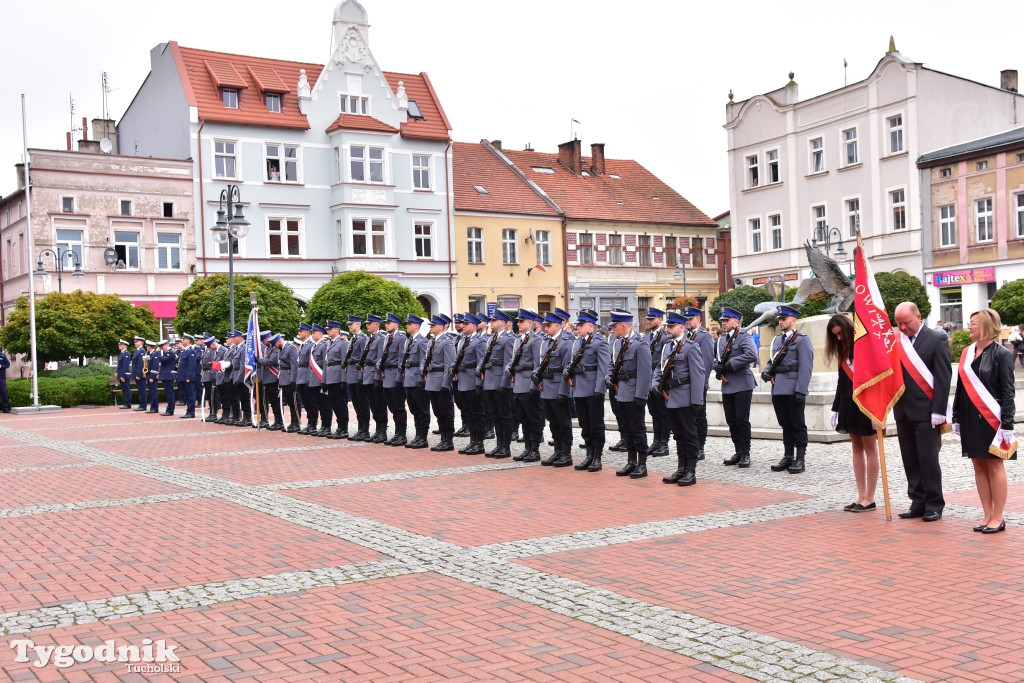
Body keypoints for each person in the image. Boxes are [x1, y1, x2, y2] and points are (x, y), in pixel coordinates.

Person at [952, 308, 1017, 533]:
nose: (969, 327)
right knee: (978, 464)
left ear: (987, 326)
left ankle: (998, 517)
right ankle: (987, 514)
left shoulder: (1001, 354)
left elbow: (1008, 391)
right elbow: (960, 388)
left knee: (994, 465)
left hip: (993, 418)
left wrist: (1007, 424)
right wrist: (957, 416)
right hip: (971, 416)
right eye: (970, 323)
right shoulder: (967, 353)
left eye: (973, 323)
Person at [893, 301, 952, 522]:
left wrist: (938, 410)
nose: (903, 328)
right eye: (898, 323)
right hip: (903, 411)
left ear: (918, 317)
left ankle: (934, 503)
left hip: (927, 412)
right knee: (910, 458)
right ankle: (917, 501)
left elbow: (943, 377)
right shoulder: (897, 341)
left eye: (906, 322)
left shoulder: (937, 338)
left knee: (928, 459)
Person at [824, 315, 879, 512]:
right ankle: (861, 494)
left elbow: (877, 378)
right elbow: (841, 382)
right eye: (835, 335)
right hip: (848, 403)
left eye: (840, 333)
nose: (838, 338)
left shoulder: (864, 348)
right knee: (856, 448)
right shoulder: (843, 351)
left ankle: (870, 497)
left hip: (867, 404)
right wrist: (835, 407)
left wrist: (878, 410)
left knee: (870, 448)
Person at [655, 310, 707, 486]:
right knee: (678, 435)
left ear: (681, 327)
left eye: (670, 326)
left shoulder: (691, 347)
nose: (668, 329)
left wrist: (696, 401)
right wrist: (656, 385)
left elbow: (698, 375)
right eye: (667, 326)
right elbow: (659, 369)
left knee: (689, 435)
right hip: (670, 396)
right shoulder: (667, 347)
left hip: (685, 396)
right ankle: (681, 468)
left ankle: (690, 471)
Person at [762, 304, 814, 474]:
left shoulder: (802, 340)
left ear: (793, 320)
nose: (781, 322)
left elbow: (806, 367)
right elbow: (773, 360)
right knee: (785, 424)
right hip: (778, 388)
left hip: (793, 388)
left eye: (784, 319)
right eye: (780, 319)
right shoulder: (777, 340)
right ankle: (788, 456)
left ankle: (800, 458)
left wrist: (801, 390)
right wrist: (766, 371)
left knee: (797, 424)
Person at [605, 309, 653, 479]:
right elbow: (612, 364)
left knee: (637, 429)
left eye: (615, 325)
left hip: (634, 392)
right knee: (626, 428)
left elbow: (645, 372)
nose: (613, 329)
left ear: (623, 325)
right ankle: (631, 461)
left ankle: (641, 463)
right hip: (620, 392)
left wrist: (641, 395)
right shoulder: (617, 343)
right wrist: (608, 378)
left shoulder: (640, 344)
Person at [567, 309, 610, 472]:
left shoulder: (600, 342)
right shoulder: (578, 342)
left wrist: (600, 389)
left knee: (596, 424)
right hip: (579, 388)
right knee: (585, 424)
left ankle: (597, 457)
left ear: (591, 326)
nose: (578, 327)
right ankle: (589, 454)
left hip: (593, 389)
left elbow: (603, 367)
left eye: (581, 324)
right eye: (578, 324)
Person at [715, 307, 758, 468]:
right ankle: (738, 451)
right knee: (731, 420)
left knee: (741, 420)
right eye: (722, 321)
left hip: (742, 384)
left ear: (736, 322)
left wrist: (730, 365)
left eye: (727, 320)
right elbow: (715, 359)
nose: (724, 323)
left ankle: (746, 453)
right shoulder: (721, 340)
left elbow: (751, 355)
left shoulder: (744, 337)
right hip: (727, 385)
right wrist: (717, 367)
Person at [535, 311, 574, 467]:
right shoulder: (546, 342)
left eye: (549, 325)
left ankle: (566, 453)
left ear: (558, 326)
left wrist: (563, 391)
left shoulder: (566, 342)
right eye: (545, 325)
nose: (545, 328)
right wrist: (535, 376)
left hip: (559, 386)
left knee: (563, 422)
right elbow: (538, 364)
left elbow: (567, 369)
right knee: (553, 422)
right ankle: (557, 451)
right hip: (546, 387)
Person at [507, 309, 544, 462]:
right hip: (518, 384)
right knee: (523, 418)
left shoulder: (536, 340)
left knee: (533, 418)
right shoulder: (518, 340)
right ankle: (527, 448)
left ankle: (534, 449)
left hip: (528, 383)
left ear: (531, 323)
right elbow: (512, 360)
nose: (518, 324)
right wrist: (508, 369)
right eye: (518, 321)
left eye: (522, 322)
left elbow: (538, 364)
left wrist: (534, 385)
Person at [479, 309, 514, 458]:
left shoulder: (508, 339)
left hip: (500, 382)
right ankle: (499, 444)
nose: (491, 323)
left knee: (504, 415)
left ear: (502, 323)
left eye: (494, 321)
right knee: (495, 415)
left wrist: (504, 383)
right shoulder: (491, 339)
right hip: (489, 381)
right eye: (491, 321)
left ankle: (505, 447)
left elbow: (508, 362)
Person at [682, 307, 715, 460]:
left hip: (698, 384)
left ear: (698, 319)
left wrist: (701, 383)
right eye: (686, 319)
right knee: (689, 416)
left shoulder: (704, 337)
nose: (687, 321)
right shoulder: (685, 337)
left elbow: (707, 363)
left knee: (700, 416)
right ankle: (691, 444)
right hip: (684, 385)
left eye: (690, 318)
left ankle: (700, 446)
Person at [423, 313, 456, 451]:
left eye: (434, 325)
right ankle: (443, 438)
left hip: (441, 381)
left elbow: (450, 364)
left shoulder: (447, 342)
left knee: (445, 411)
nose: (431, 327)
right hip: (431, 380)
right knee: (437, 411)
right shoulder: (432, 341)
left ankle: (448, 440)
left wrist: (446, 383)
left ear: (442, 327)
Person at [643, 308, 672, 458]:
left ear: (660, 320)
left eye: (651, 319)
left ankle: (664, 443)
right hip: (648, 377)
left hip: (660, 377)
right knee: (654, 412)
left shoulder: (665, 336)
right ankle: (656, 440)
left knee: (663, 412)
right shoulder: (647, 336)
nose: (648, 321)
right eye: (648, 319)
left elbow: (665, 358)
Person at [402, 314, 431, 449]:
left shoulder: (422, 341)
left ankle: (423, 437)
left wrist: (421, 379)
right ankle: (418, 435)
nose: (407, 325)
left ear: (417, 326)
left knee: (422, 409)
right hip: (408, 379)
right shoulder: (409, 341)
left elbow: (423, 362)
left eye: (409, 323)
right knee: (414, 409)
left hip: (417, 379)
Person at [379, 313, 408, 446]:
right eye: (386, 323)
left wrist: (399, 378)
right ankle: (397, 433)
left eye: (388, 323)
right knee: (392, 406)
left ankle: (401, 434)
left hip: (395, 375)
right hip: (386, 376)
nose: (386, 325)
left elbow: (402, 358)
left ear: (396, 324)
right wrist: (379, 368)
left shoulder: (401, 338)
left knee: (399, 407)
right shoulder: (387, 338)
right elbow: (381, 356)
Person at [322, 320, 345, 438]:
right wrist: (324, 380)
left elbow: (343, 363)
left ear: (337, 329)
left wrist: (343, 380)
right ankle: (339, 427)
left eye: (330, 329)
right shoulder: (329, 344)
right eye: (327, 329)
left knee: (340, 403)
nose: (328, 331)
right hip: (330, 377)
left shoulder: (342, 343)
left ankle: (343, 428)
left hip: (337, 377)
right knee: (334, 403)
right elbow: (326, 363)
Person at [157, 339, 177, 415]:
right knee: (168, 394)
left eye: (162, 346)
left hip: (168, 375)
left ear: (166, 345)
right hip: (165, 375)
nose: (162, 348)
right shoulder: (167, 352)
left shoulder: (170, 352)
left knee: (170, 394)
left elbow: (163, 360)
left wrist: (158, 353)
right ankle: (169, 409)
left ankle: (170, 410)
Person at [131, 336, 148, 412]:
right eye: (135, 341)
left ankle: (143, 405)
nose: (135, 343)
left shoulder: (141, 351)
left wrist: (138, 374)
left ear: (141, 342)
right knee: (140, 390)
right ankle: (141, 404)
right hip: (138, 374)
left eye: (136, 341)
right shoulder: (138, 351)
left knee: (142, 390)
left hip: (140, 374)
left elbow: (140, 364)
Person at [116, 339, 132, 409]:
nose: (119, 346)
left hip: (124, 375)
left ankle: (128, 403)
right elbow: (120, 365)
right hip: (122, 374)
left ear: (124, 346)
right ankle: (126, 403)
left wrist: (122, 375)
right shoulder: (122, 354)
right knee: (124, 390)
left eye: (120, 345)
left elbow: (125, 366)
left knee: (126, 389)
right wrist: (117, 372)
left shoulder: (126, 354)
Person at [0, 347, 10, 413]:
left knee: (4, 392)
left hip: (1, 377)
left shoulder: (2, 355)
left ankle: (5, 408)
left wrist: (1, 366)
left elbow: (7, 364)